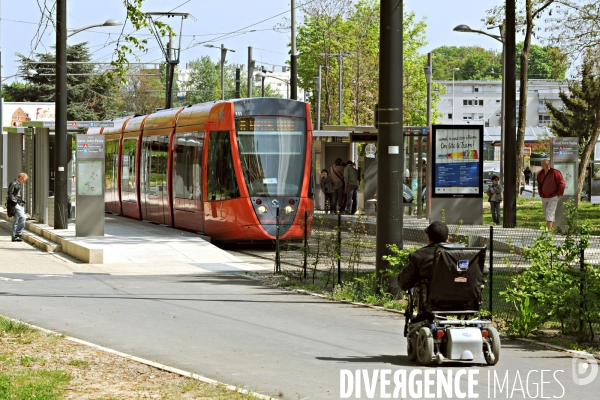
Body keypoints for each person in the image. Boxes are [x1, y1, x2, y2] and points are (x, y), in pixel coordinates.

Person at [397, 221, 450, 292]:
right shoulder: (461, 254)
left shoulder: (419, 255)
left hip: (430, 300)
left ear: (428, 239)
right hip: (460, 299)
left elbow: (403, 282)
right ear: (448, 238)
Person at [536, 159, 566, 230]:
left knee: (549, 212)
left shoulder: (555, 172)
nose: (547, 165)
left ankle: (549, 232)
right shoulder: (540, 174)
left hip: (553, 196)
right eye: (545, 164)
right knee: (548, 214)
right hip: (544, 196)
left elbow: (562, 183)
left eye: (548, 163)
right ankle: (551, 231)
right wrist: (541, 193)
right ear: (542, 166)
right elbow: (539, 185)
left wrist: (559, 194)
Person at [7, 172, 28, 242]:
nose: (24, 182)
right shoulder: (14, 183)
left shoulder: (18, 184)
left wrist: (21, 201)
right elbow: (10, 193)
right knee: (23, 217)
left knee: (16, 220)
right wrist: (15, 202)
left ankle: (14, 237)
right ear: (21, 178)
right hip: (15, 204)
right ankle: (18, 233)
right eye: (24, 180)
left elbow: (17, 195)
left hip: (19, 204)